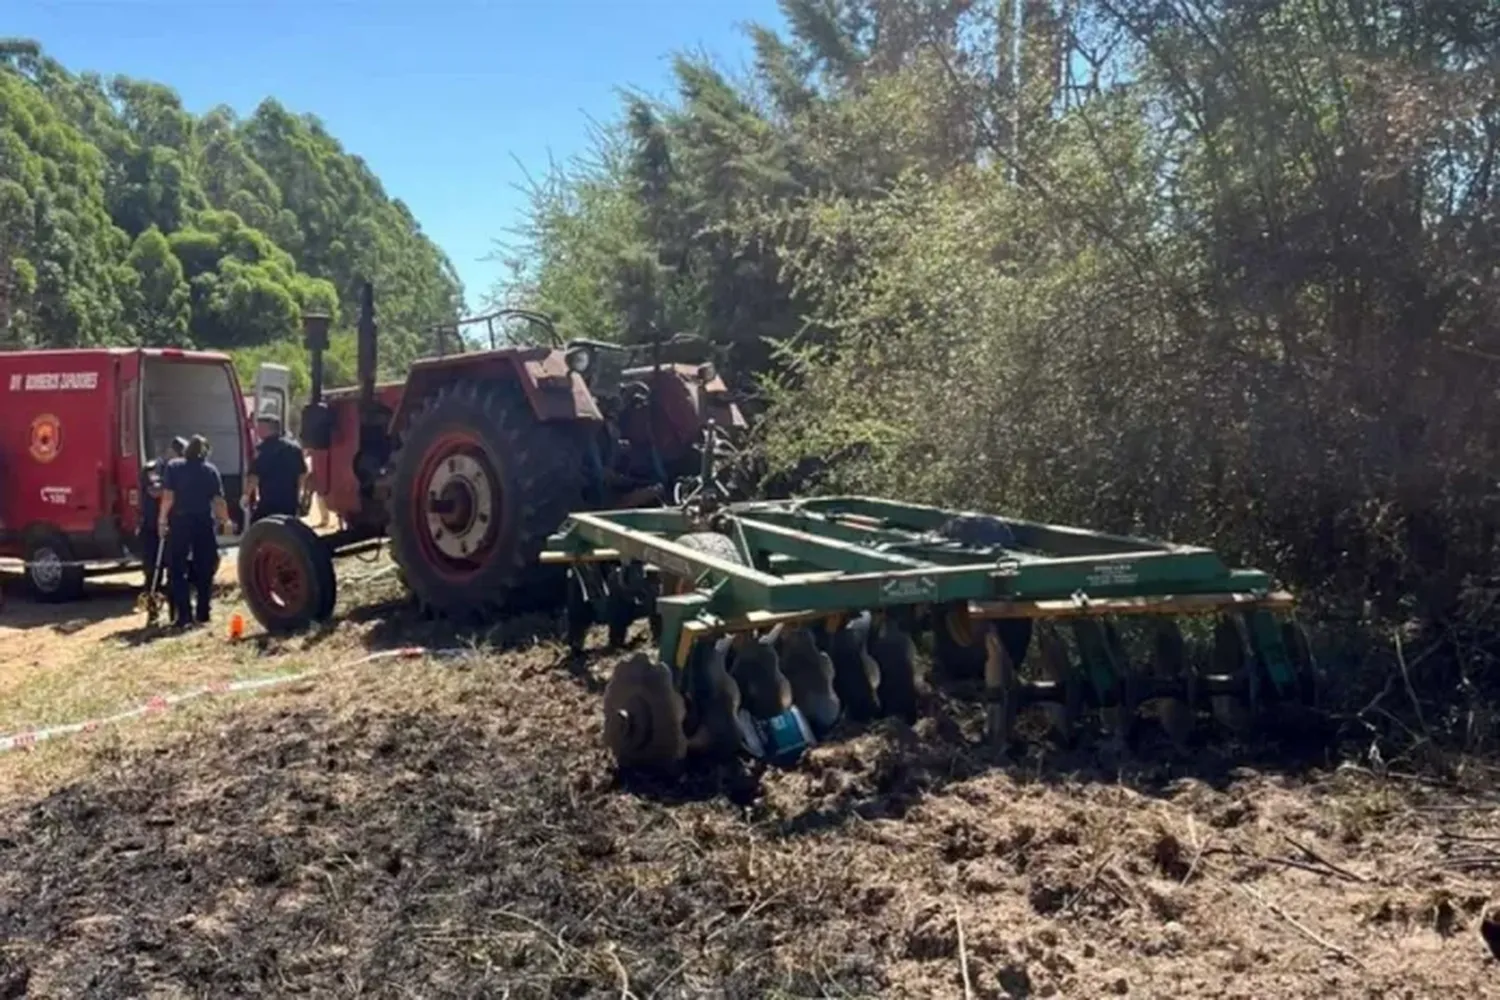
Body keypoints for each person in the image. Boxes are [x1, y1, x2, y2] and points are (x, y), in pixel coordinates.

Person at [158, 435, 232, 628]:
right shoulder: (210, 470)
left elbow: (168, 497)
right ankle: (203, 611)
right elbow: (218, 501)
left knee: (177, 568)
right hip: (203, 521)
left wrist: (162, 519)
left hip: (180, 521)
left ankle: (184, 615)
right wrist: (226, 521)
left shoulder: (174, 467)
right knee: (205, 568)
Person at [139, 437, 186, 619]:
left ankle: (174, 613)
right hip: (153, 528)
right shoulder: (154, 468)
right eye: (178, 454)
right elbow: (154, 491)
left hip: (174, 527)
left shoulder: (180, 470)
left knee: (175, 572)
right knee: (153, 572)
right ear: (170, 452)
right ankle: (152, 611)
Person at [243, 414, 306, 523]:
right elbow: (302, 474)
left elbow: (255, 475)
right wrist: (299, 494)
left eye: (259, 427)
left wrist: (246, 495)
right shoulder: (294, 448)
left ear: (266, 429)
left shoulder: (263, 450)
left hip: (269, 500)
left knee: (259, 528)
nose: (257, 431)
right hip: (289, 501)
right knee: (287, 529)